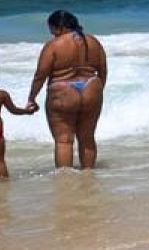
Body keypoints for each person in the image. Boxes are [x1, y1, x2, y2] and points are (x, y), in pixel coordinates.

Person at [27, 9, 107, 170]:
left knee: (64, 140)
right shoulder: (93, 41)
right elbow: (103, 70)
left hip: (62, 89)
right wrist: (98, 91)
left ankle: (65, 182)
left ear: (59, 27)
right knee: (87, 137)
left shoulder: (53, 45)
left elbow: (40, 75)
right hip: (91, 85)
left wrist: (32, 98)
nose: (53, 35)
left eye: (53, 31)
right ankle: (88, 176)